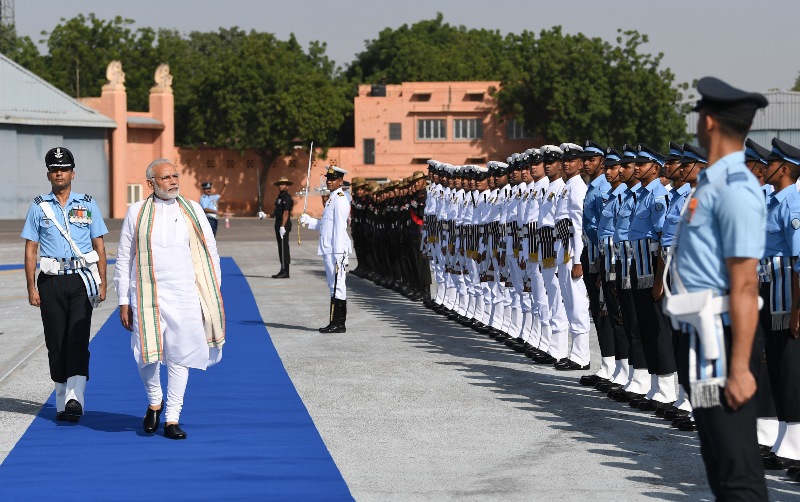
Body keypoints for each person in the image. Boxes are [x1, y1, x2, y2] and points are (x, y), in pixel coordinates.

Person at [668, 76, 769, 499]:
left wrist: (741, 368)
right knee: (717, 459)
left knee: (737, 470)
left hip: (725, 345)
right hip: (701, 344)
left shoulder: (735, 189)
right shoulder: (711, 183)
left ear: (708, 122)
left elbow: (745, 284)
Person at [115, 159, 225, 440]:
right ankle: (155, 400)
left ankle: (172, 418)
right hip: (145, 292)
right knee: (145, 354)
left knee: (180, 354)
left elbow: (210, 253)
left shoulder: (194, 210)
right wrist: (122, 300)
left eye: (176, 176)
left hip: (185, 294)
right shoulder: (136, 212)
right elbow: (125, 257)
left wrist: (210, 295)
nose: (174, 181)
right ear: (150, 183)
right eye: (166, 177)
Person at [21, 147, 108, 423]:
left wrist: (102, 281)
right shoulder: (38, 206)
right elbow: (30, 249)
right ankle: (61, 399)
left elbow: (99, 245)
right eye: (54, 169)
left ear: (73, 173)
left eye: (64, 168)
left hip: (81, 279)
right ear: (49, 174)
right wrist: (31, 287)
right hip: (50, 281)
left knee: (78, 339)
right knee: (56, 341)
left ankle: (75, 398)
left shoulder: (88, 203)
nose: (59, 173)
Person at [300, 166, 352, 333]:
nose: (329, 181)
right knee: (333, 285)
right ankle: (334, 322)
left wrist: (338, 253)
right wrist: (308, 221)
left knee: (338, 285)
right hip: (329, 248)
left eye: (333, 178)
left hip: (336, 250)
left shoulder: (341, 199)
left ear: (340, 181)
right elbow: (325, 225)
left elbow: (340, 227)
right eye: (328, 178)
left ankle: (339, 323)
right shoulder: (331, 198)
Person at [260, 177, 293, 278]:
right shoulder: (279, 197)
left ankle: (285, 271)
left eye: (283, 184)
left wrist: (283, 226)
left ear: (287, 186)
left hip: (284, 225)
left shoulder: (287, 198)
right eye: (280, 184)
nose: (280, 186)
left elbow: (286, 213)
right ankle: (282, 269)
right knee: (281, 247)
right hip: (278, 224)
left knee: (284, 248)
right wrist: (265, 215)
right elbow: (276, 213)